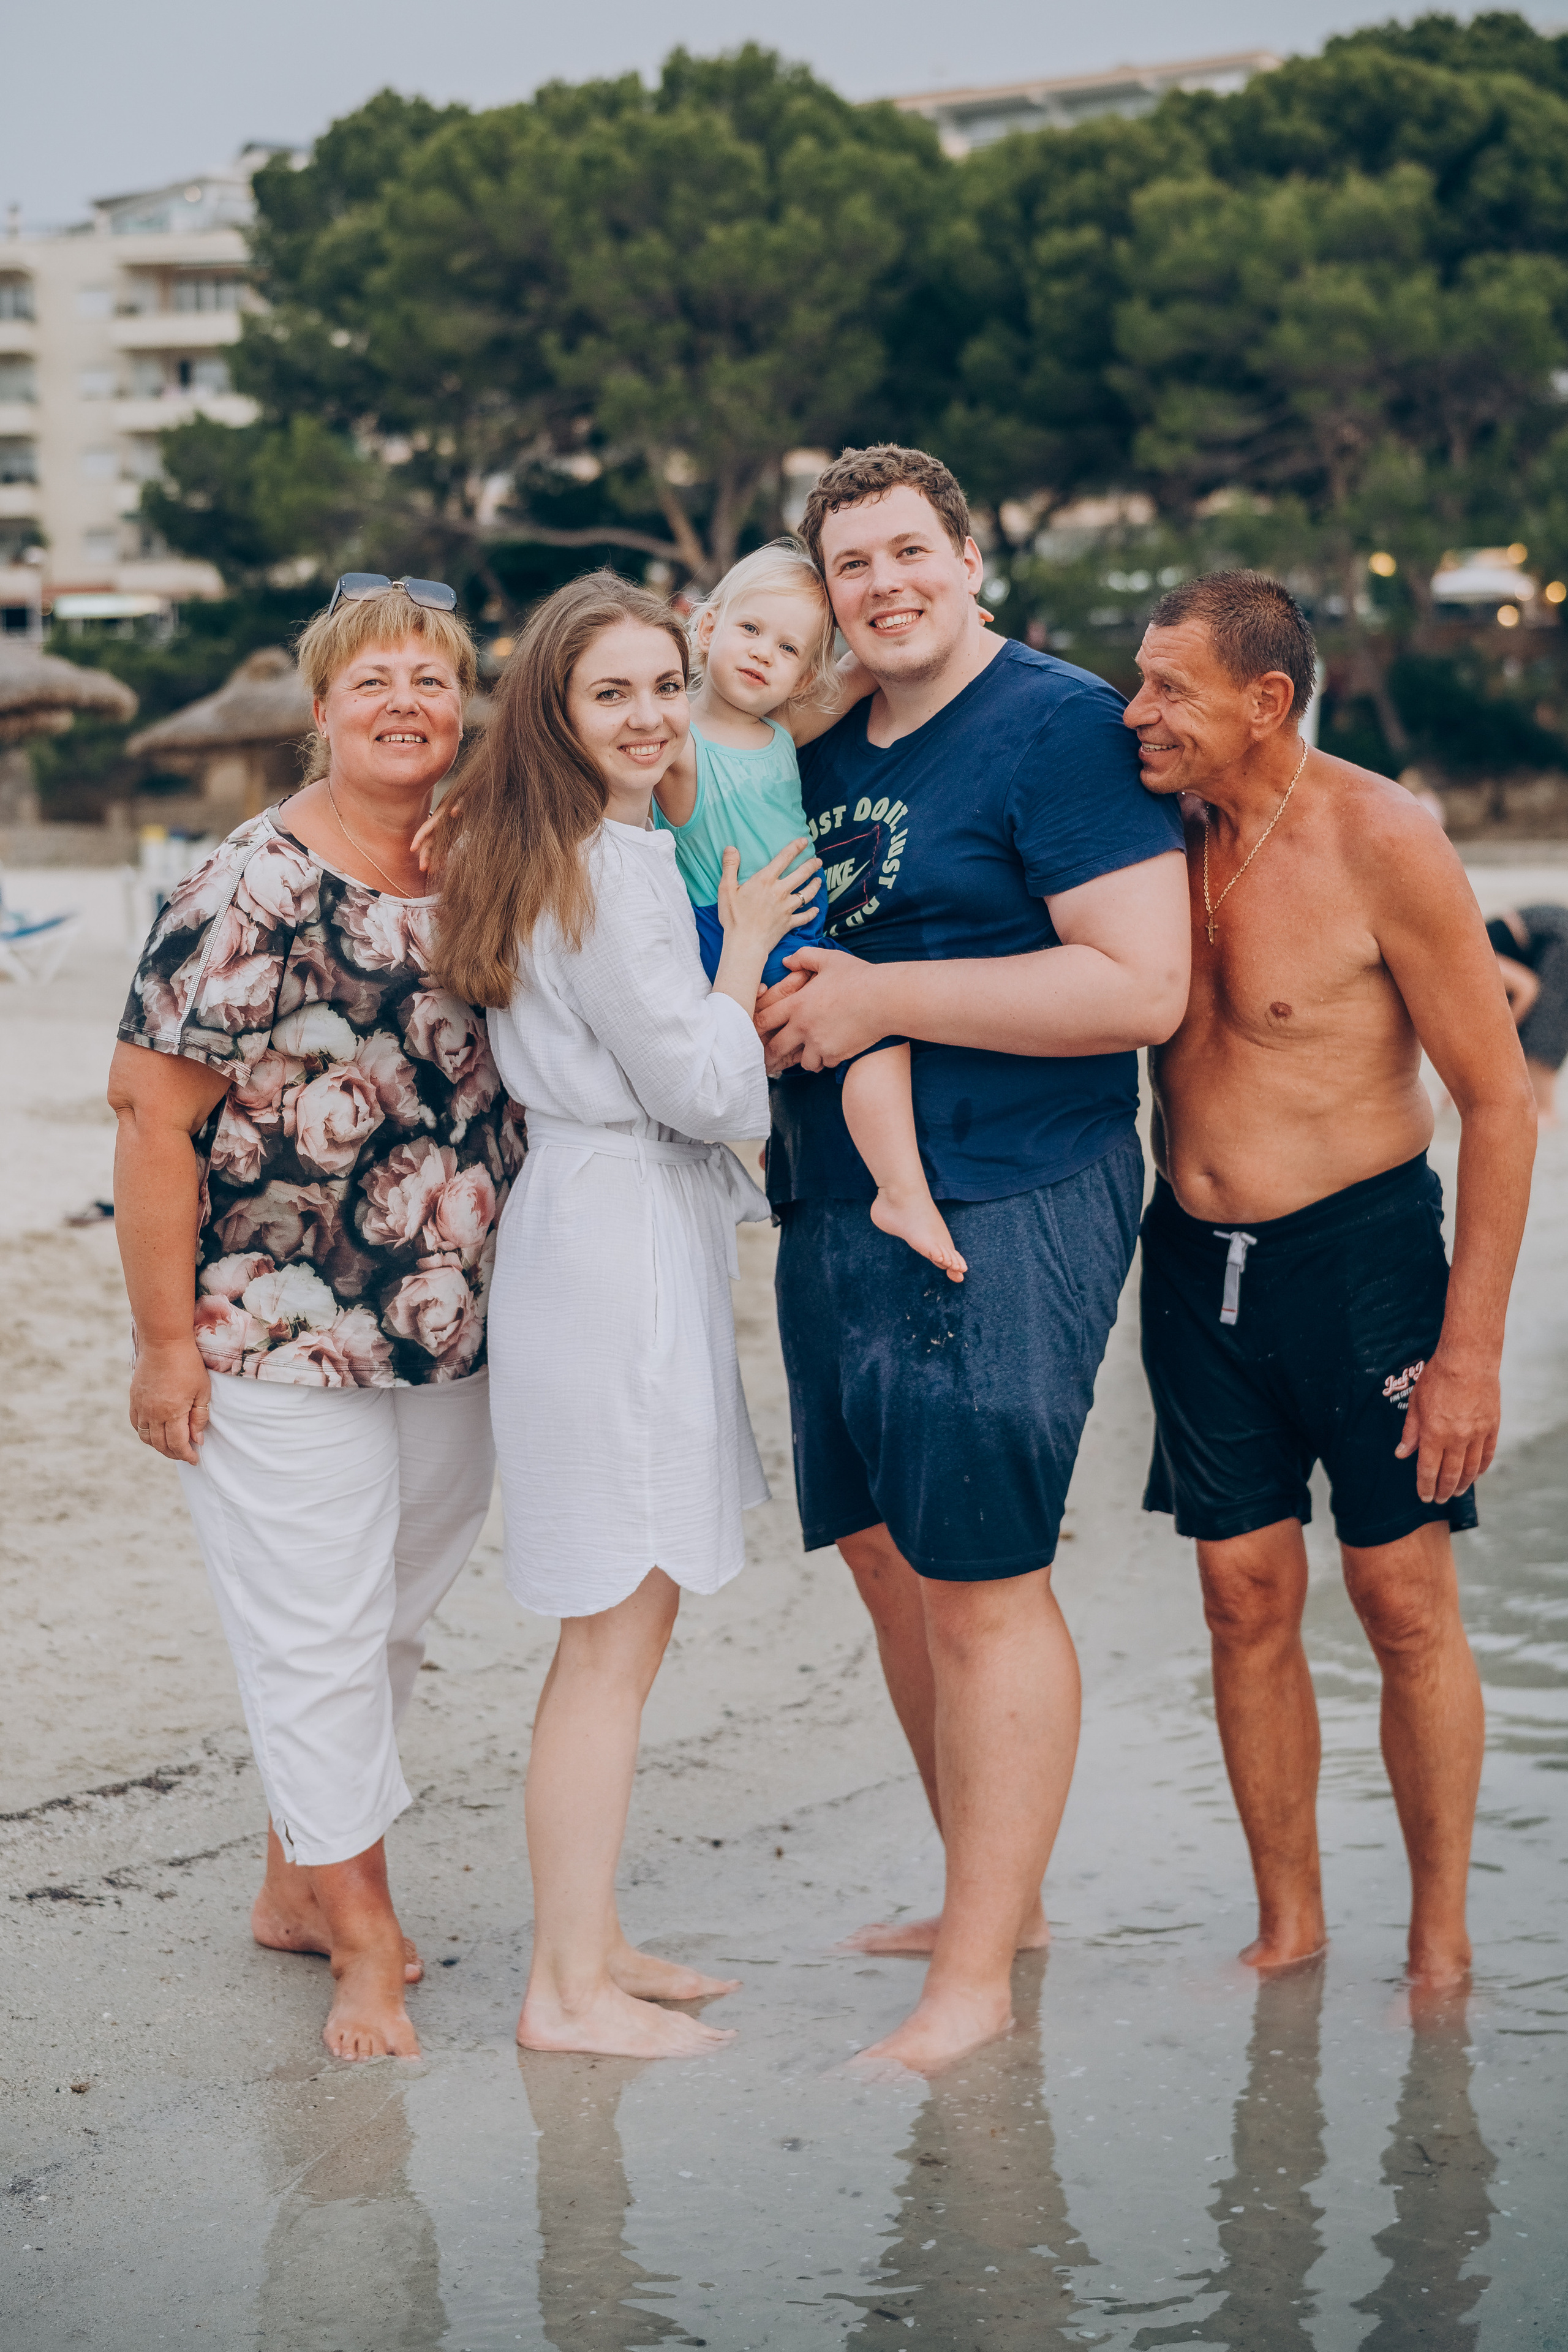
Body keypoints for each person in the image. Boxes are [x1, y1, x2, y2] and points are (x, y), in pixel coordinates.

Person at [755, 445, 1191, 2073]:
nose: (882, 584)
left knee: (986, 1574)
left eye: (907, 551)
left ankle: (976, 1987)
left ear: (967, 555)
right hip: (834, 1200)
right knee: (886, 1555)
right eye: (851, 564)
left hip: (1012, 1189)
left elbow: (1140, 985)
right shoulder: (820, 750)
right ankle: (986, 1901)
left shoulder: (1060, 727)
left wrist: (881, 1001)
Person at [108, 577, 510, 2060]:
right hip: (275, 1336)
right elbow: (151, 1119)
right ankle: (364, 1945)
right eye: (374, 682)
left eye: (431, 679)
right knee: (320, 1638)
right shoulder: (249, 882)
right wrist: (164, 1345)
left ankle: (294, 1883)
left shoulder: (475, 861)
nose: (406, 703)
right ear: (321, 706)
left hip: (448, 1330)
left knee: (390, 1622)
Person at [1126, 570, 1537, 1988]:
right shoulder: (1145, 831)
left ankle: (1435, 1939)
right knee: (1239, 1589)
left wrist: (1468, 1352)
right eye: (1135, 681)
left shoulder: (1382, 839)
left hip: (1357, 1260)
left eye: (1167, 689)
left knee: (1397, 1590)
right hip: (1188, 1262)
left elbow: (1499, 1098)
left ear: (1264, 702)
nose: (1138, 713)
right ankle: (1287, 1921)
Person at [428, 570, 818, 2059]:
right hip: (613, 1250)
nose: (653, 716)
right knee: (610, 1630)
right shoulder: (608, 863)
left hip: (601, 1228)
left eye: (668, 685)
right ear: (555, 707)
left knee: (624, 1625)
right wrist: (737, 951)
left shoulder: (565, 843)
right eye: (613, 693)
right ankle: (562, 1991)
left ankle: (591, 1942)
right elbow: (710, 1087)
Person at [655, 540, 965, 1279]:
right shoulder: (677, 743)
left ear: (804, 673)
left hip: (797, 924)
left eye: (789, 648)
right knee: (872, 1033)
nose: (764, 654)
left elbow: (856, 681)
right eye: (751, 631)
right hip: (736, 927)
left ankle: (791, 1137)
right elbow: (564, 744)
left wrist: (953, 625)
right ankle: (902, 1192)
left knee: (823, 1042)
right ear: (707, 629)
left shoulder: (778, 735)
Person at [1485, 904, 1568, 1126]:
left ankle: (1546, 1112)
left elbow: (1527, 988)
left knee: (1544, 1025)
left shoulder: (1469, 955)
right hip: (1544, 934)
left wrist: (1501, 1040)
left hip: (1559, 935)